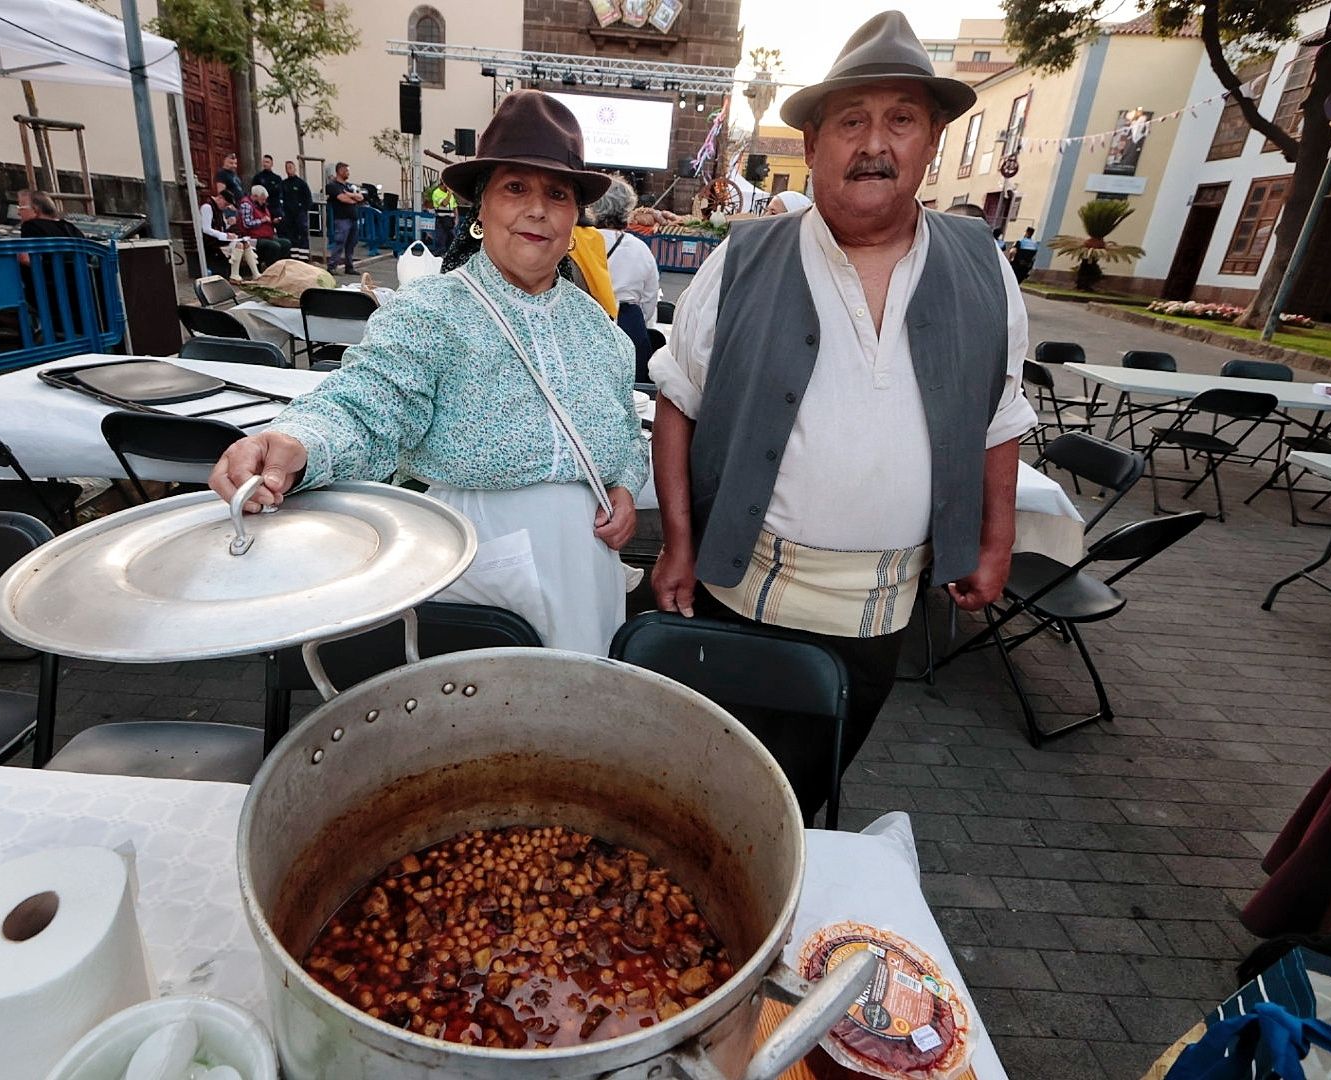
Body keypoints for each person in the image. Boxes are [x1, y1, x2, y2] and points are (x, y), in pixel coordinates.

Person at [648, 10, 1036, 822]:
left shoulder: (982, 266)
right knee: (703, 781)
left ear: (930, 141)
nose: (874, 143)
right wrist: (679, 543)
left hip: (880, 607)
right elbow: (678, 402)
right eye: (851, 121)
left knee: (806, 788)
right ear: (815, 143)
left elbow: (998, 415)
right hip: (739, 587)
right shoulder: (744, 257)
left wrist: (994, 543)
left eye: (900, 119)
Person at [209, 91, 646, 655]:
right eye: (516, 188)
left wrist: (626, 488)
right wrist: (300, 441)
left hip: (587, 568)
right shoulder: (431, 312)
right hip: (477, 561)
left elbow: (626, 439)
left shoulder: (600, 330)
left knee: (574, 721)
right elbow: (367, 402)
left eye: (557, 194)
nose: (537, 209)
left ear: (573, 219)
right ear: (480, 208)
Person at [591, 176, 660, 381]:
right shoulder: (640, 249)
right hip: (629, 326)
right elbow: (649, 299)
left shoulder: (580, 243)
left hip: (590, 320)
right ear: (627, 209)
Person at [198, 185, 258, 281]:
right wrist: (225, 235)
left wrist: (229, 224)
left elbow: (221, 226)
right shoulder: (207, 207)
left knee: (245, 243)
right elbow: (206, 229)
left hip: (218, 238)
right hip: (210, 240)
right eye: (225, 204)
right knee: (238, 245)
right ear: (220, 198)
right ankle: (234, 275)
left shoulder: (219, 210)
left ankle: (255, 273)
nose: (225, 207)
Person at [237, 185, 292, 268]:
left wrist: (272, 221)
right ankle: (270, 267)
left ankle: (279, 266)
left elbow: (265, 219)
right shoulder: (246, 205)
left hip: (266, 234)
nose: (264, 201)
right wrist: (262, 220)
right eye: (262, 199)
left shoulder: (262, 206)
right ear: (255, 196)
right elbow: (247, 224)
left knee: (286, 243)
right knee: (274, 246)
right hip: (252, 237)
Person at [326, 163, 365, 274]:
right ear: (340, 171)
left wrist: (350, 194)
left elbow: (361, 197)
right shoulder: (333, 186)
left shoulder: (349, 186)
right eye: (346, 171)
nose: (348, 173)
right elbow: (343, 199)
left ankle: (349, 267)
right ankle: (332, 266)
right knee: (340, 242)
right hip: (342, 219)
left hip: (353, 218)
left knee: (351, 244)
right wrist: (353, 198)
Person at [16, 189, 82, 239]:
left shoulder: (30, 227)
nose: (18, 213)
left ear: (35, 209)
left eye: (20, 207)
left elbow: (24, 256)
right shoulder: (72, 229)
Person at [280, 160, 312, 255]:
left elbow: (308, 199)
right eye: (287, 168)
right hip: (289, 214)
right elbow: (281, 198)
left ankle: (304, 256)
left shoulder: (301, 184)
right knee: (291, 235)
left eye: (291, 167)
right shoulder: (284, 184)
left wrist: (303, 210)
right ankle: (293, 255)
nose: (289, 169)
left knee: (303, 234)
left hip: (300, 214)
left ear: (295, 168)